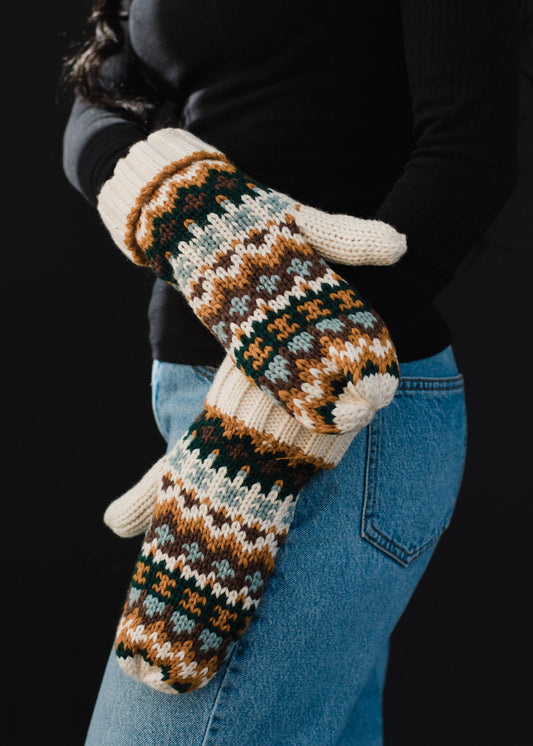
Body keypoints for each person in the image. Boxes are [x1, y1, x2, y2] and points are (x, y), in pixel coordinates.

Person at [61, 1, 521, 743]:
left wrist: (306, 353)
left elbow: (470, 148)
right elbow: (101, 100)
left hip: (338, 423)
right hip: (194, 398)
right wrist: (163, 188)